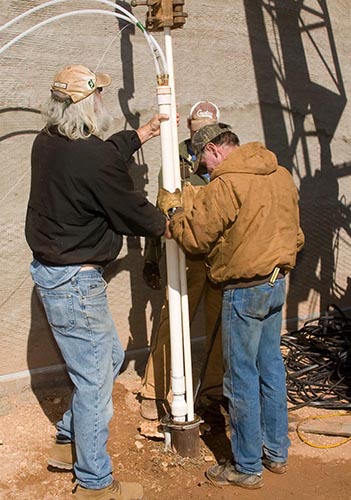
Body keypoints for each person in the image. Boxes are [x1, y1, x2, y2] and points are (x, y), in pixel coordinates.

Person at [25, 64, 169, 500]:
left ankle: (69, 441)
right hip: (76, 283)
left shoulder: (46, 142)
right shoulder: (94, 158)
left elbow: (99, 157)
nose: (104, 101)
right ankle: (94, 483)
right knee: (94, 381)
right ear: (89, 103)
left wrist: (140, 134)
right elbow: (133, 211)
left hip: (54, 273)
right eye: (100, 96)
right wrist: (171, 222)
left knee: (105, 356)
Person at [158, 123, 305, 489]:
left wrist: (175, 214)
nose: (205, 170)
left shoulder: (227, 184)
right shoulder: (280, 173)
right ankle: (277, 452)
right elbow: (296, 235)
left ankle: (246, 466)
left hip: (243, 290)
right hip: (275, 283)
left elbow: (195, 239)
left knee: (239, 378)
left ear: (213, 151)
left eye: (203, 163)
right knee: (270, 370)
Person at [140, 102, 224, 421]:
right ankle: (154, 392)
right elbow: (162, 210)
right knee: (172, 323)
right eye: (198, 128)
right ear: (188, 127)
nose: (203, 135)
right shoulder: (175, 160)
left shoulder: (224, 158)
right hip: (186, 257)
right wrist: (152, 259)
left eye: (209, 129)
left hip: (218, 256)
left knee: (218, 326)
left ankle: (213, 392)